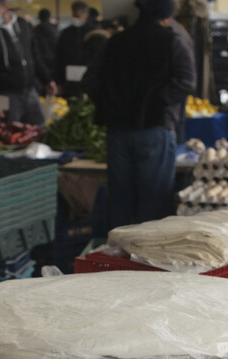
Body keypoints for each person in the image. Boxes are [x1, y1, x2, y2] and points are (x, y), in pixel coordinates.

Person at [83, 0, 195, 228]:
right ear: (166, 17)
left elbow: (90, 81)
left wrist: (112, 104)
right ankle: (146, 261)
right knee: (154, 203)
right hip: (155, 130)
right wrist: (155, 102)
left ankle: (115, 257)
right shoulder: (172, 42)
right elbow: (186, 82)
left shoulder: (114, 42)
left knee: (120, 201)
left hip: (118, 132)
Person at [0, 0, 58, 126]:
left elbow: (35, 57)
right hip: (6, 96)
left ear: (5, 9)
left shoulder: (24, 26)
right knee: (11, 135)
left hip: (30, 92)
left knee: (39, 129)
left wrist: (47, 80)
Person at [56, 1, 96, 98]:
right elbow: (59, 56)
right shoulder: (66, 33)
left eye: (78, 17)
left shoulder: (94, 33)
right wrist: (58, 81)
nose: (75, 19)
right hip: (69, 81)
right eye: (73, 16)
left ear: (85, 15)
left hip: (89, 79)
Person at [33, 8, 58, 78]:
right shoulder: (53, 30)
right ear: (49, 17)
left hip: (40, 61)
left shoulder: (35, 30)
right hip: (53, 61)